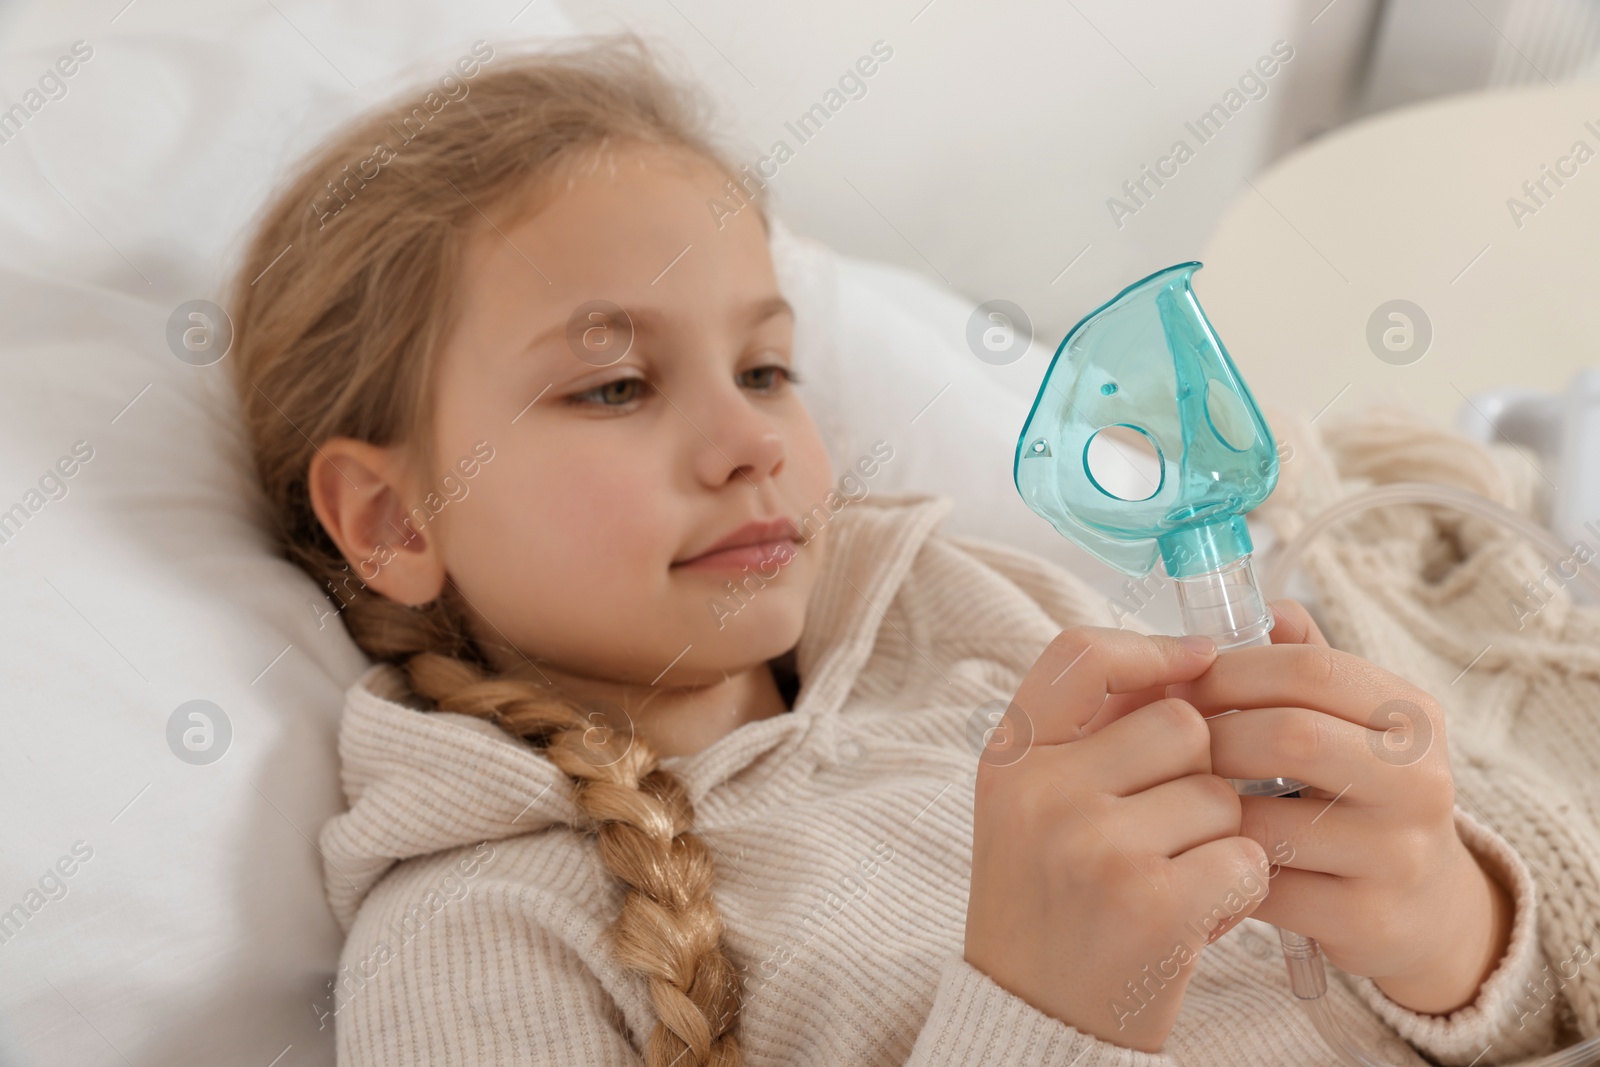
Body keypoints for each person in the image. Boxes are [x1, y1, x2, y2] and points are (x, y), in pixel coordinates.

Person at [224, 33, 1596, 1066]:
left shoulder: (992, 625)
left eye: (767, 370)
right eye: (614, 388)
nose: (749, 444)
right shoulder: (479, 943)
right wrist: (1045, 1013)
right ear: (395, 520)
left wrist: (1452, 931)